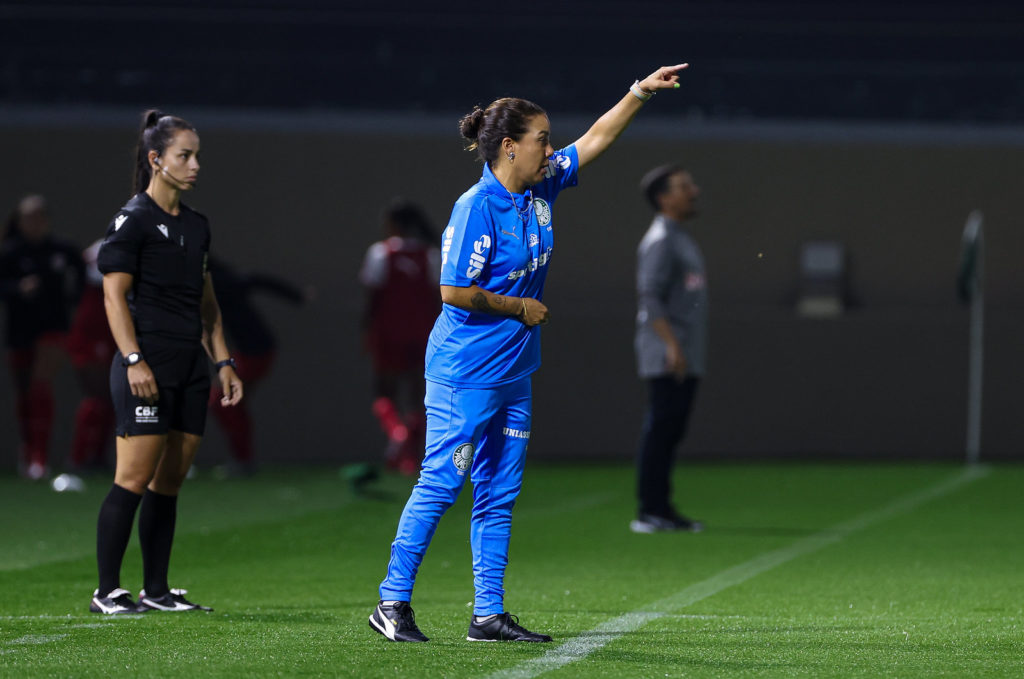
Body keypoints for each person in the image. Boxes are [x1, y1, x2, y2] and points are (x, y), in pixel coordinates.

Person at [369, 63, 690, 643]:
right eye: (542, 138)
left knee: (499, 490)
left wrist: (639, 92)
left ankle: (487, 614)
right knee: (442, 483)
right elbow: (452, 292)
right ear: (509, 147)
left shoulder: (539, 185)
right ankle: (391, 602)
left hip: (514, 370)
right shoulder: (476, 207)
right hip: (465, 371)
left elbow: (595, 140)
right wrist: (518, 307)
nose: (552, 147)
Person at [90, 109, 242, 615]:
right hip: (146, 366)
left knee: (169, 482)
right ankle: (106, 591)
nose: (195, 164)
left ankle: (156, 590)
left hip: (190, 368)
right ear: (157, 160)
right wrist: (133, 359)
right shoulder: (132, 220)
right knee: (132, 479)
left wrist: (223, 363)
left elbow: (208, 304)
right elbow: (113, 298)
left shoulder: (197, 226)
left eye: (196, 155)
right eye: (185, 155)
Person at [631, 165, 707, 534]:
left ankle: (661, 508)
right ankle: (651, 510)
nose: (694, 190)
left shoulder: (679, 236)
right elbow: (649, 297)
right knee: (661, 429)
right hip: (667, 353)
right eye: (684, 186)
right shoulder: (661, 239)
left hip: (683, 351)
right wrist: (672, 346)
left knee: (671, 431)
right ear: (664, 197)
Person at [0, 195, 85, 480]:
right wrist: (17, 288)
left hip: (53, 329)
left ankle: (40, 457)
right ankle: (28, 451)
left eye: (39, 217)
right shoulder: (10, 252)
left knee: (40, 384)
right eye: (28, 218)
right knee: (24, 393)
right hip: (20, 330)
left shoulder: (62, 250)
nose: (34, 223)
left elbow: (83, 277)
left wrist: (72, 304)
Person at [206, 254, 310, 477]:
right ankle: (243, 459)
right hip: (247, 351)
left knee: (222, 401)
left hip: (254, 351)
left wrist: (297, 296)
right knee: (231, 405)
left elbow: (259, 280)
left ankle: (243, 460)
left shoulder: (222, 281)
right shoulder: (213, 284)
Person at [359, 198, 441, 476]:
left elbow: (372, 297)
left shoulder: (381, 254)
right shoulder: (429, 255)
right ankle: (410, 457)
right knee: (417, 394)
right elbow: (438, 296)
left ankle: (397, 435)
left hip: (389, 331)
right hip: (423, 331)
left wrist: (366, 331)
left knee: (384, 391)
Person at [66, 238, 117, 472]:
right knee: (97, 395)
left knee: (111, 399)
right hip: (95, 325)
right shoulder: (111, 245)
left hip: (114, 327)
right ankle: (80, 458)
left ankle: (97, 458)